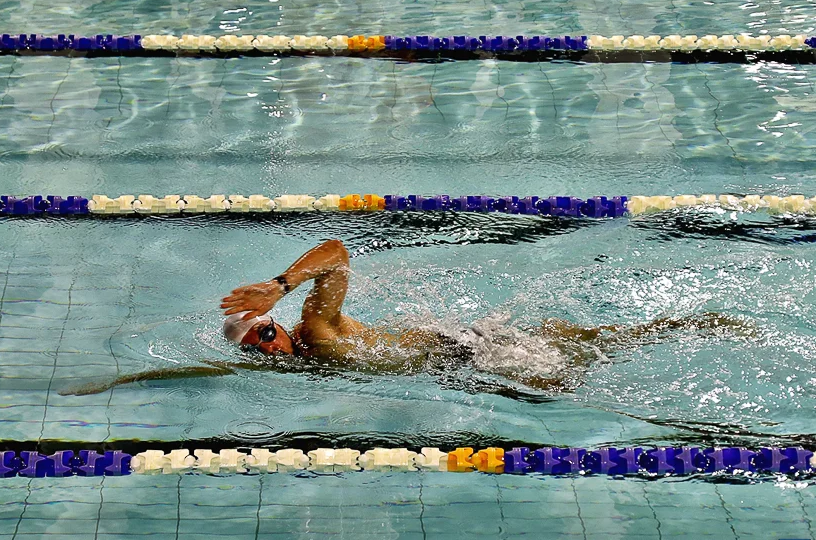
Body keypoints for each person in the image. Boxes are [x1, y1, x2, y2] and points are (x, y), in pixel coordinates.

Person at [61, 239, 752, 396]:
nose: (270, 344)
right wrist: (119, 384)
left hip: (480, 356)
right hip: (472, 348)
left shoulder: (319, 332)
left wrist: (280, 282)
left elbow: (337, 253)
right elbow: (203, 366)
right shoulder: (297, 362)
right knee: (608, 345)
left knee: (587, 383)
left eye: (265, 331)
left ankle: (699, 358)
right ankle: (697, 325)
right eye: (259, 343)